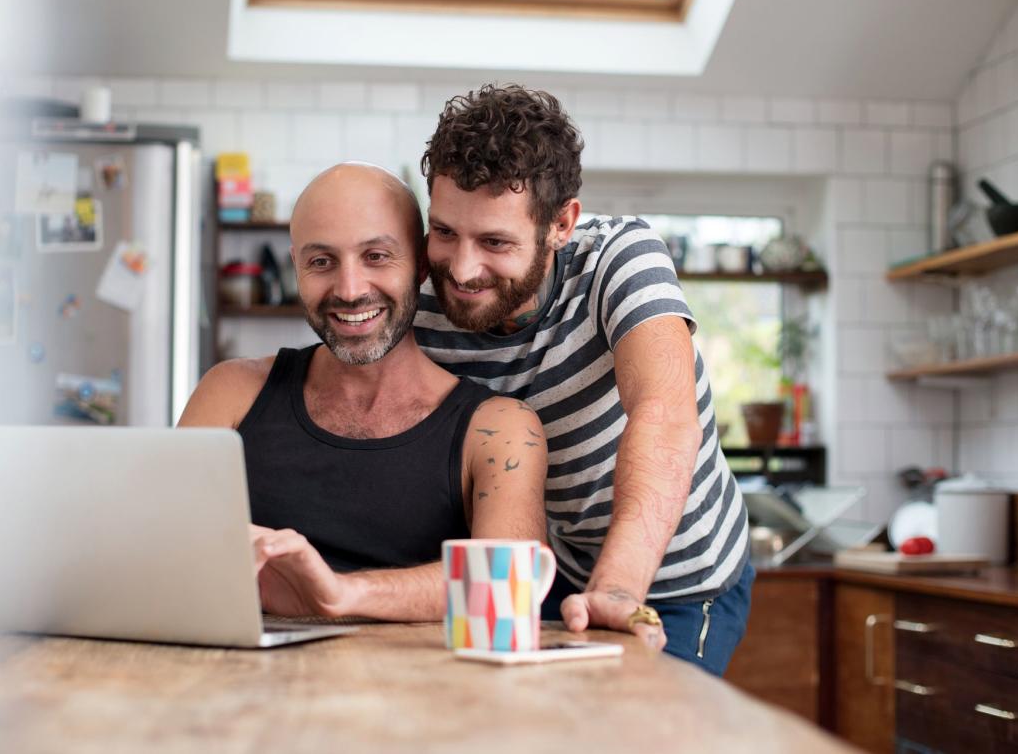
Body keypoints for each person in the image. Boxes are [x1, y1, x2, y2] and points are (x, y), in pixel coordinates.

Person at [413, 85, 752, 674]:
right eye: (445, 232)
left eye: (495, 242)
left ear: (561, 223)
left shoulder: (620, 258)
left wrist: (618, 588)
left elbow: (665, 417)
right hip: (557, 566)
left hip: (680, 574)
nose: (462, 270)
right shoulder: (423, 296)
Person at [179, 162, 548, 622]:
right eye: (321, 262)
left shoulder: (499, 429)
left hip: (428, 690)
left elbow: (510, 592)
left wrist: (340, 593)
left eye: (376, 256)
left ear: (421, 264)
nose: (350, 290)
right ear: (296, 265)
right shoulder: (231, 392)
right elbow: (162, 549)